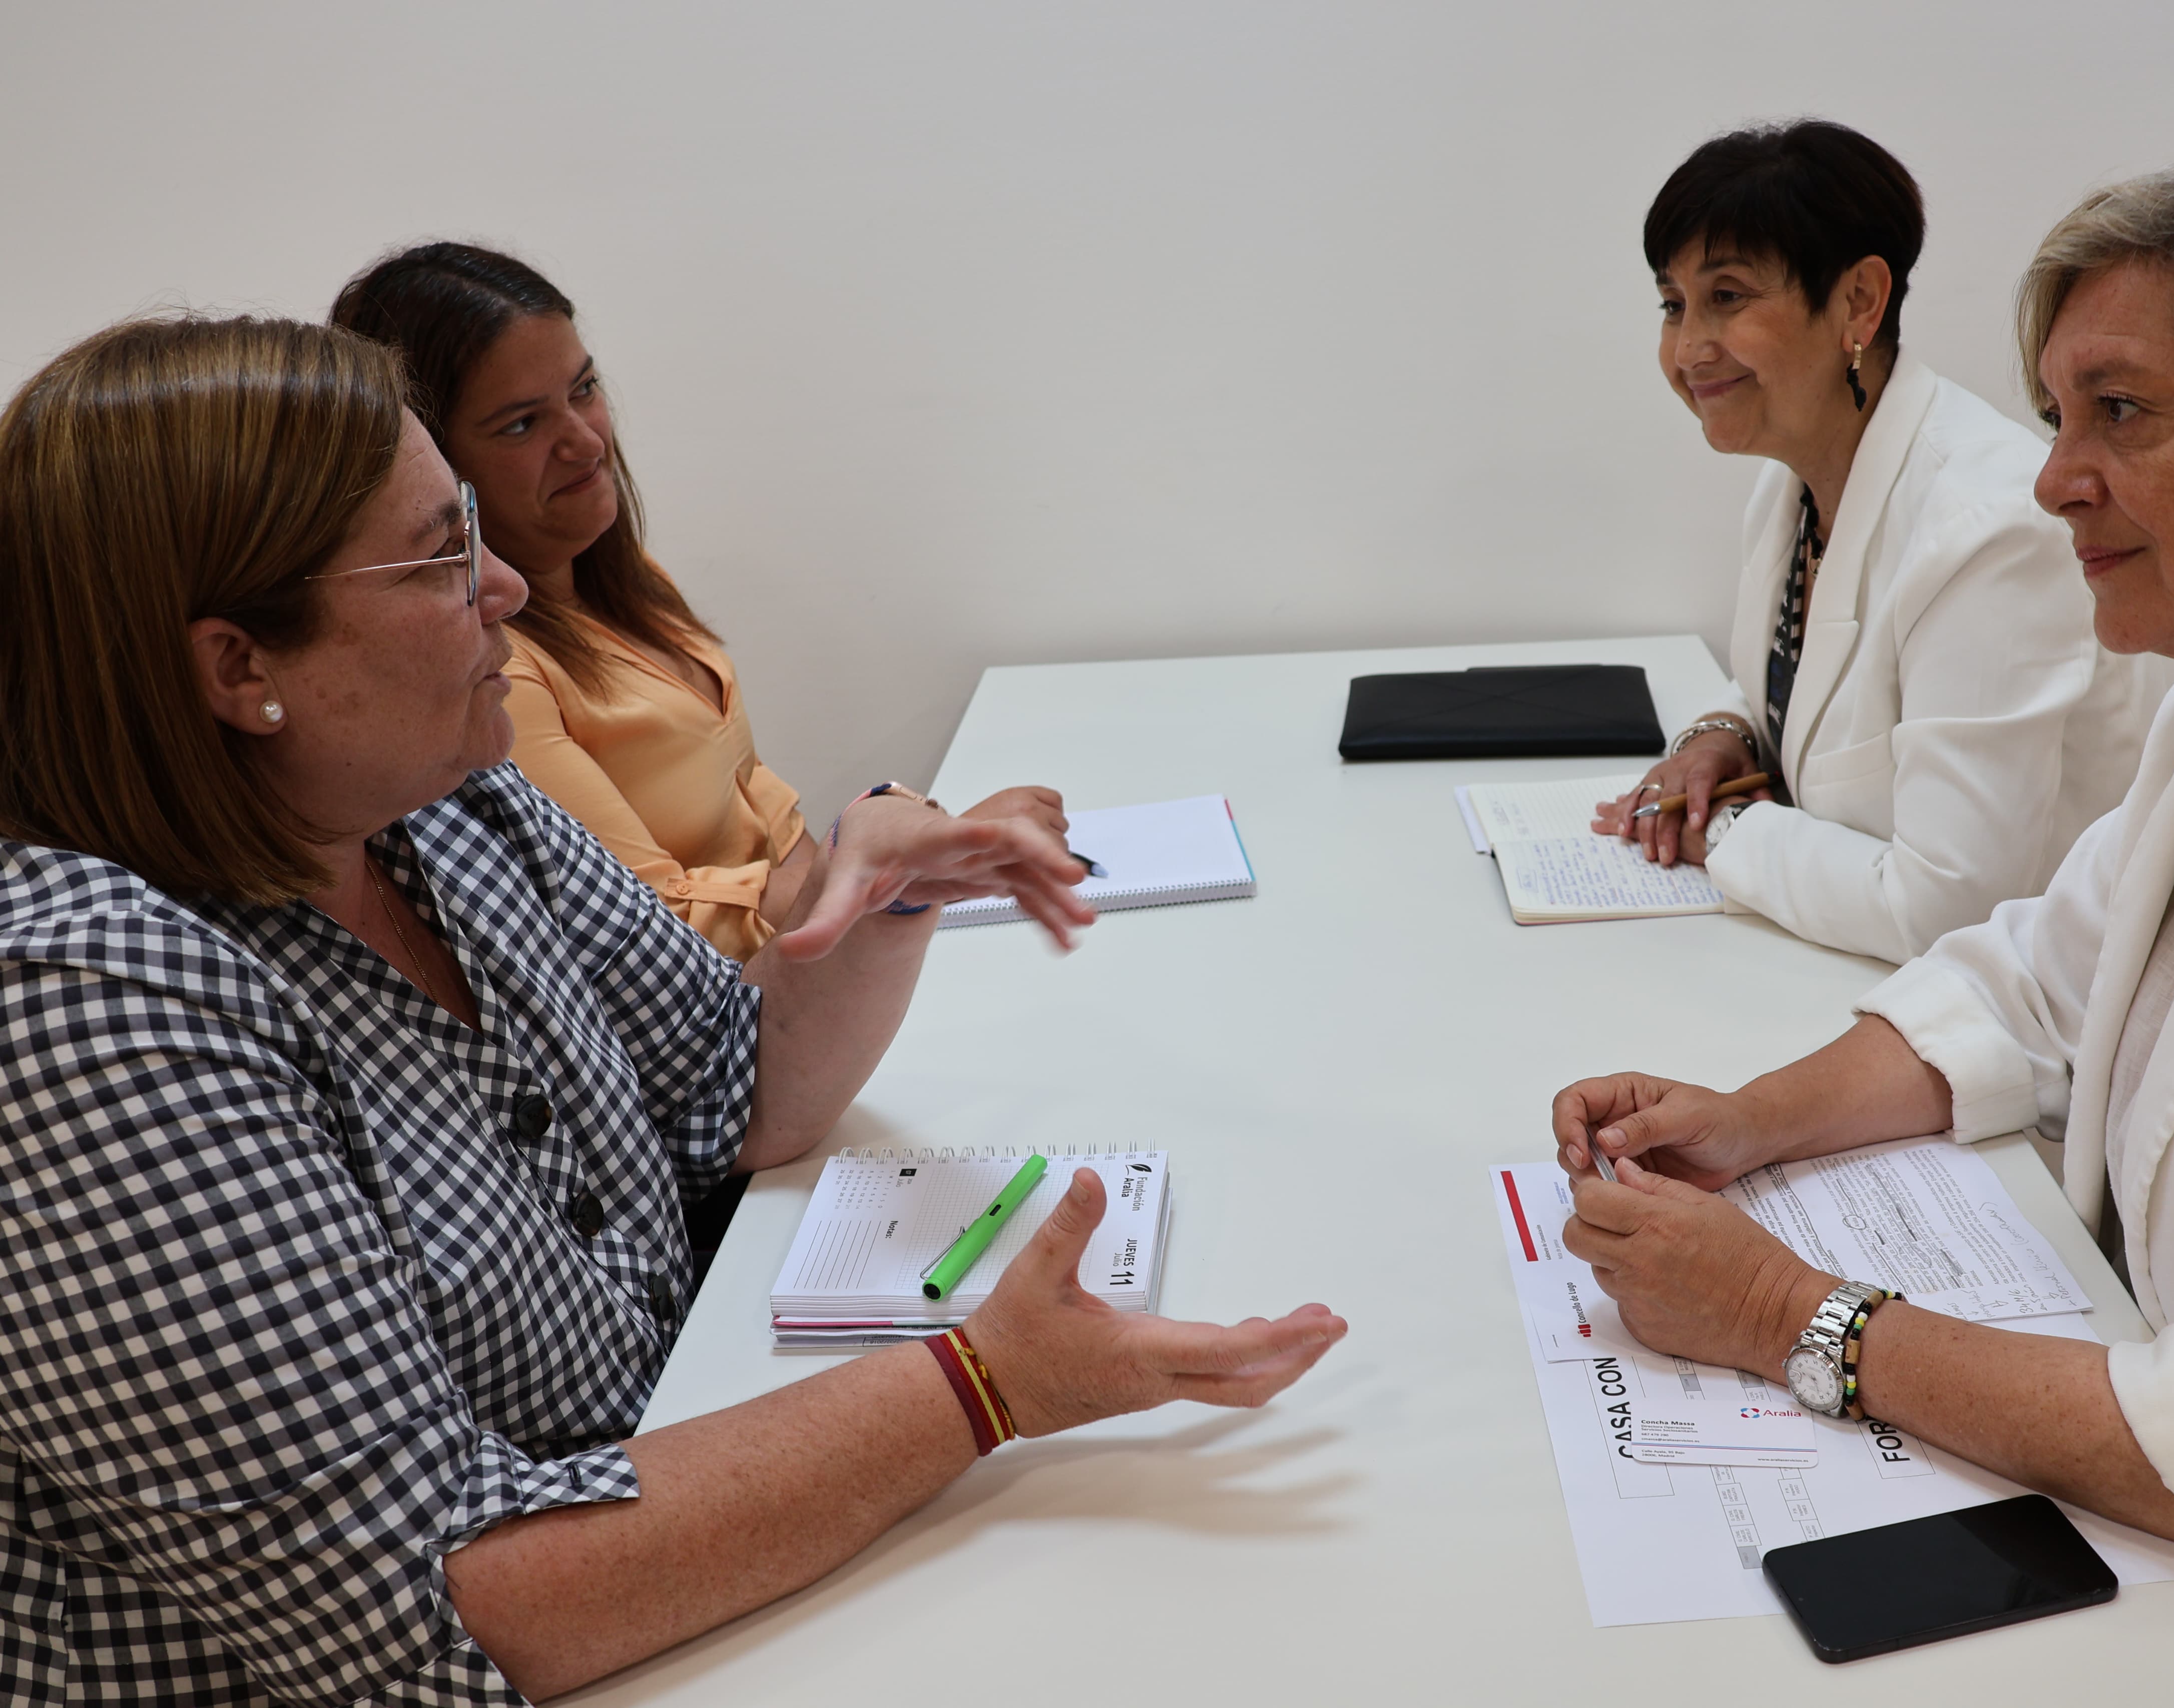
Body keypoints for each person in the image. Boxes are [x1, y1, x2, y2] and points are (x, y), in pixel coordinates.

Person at [0, 315, 1347, 1705]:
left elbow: (732, 1095)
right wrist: (985, 1385)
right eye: (441, 556)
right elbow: (439, 1607)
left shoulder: (440, 799)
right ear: (239, 669)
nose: (506, 587)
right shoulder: (87, 1014)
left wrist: (878, 903)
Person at [1552, 124, 2174, 1708]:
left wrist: (1780, 1309)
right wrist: (1748, 1121)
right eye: (2055, 416)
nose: (2053, 478)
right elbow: (2029, 979)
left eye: (2123, 414)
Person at [330, 242, 1064, 962]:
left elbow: (768, 817)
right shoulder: (500, 676)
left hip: (810, 969)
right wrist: (899, 865)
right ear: (431, 467)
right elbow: (654, 926)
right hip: (725, 1014)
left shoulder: (622, 579)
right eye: (523, 424)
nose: (585, 442)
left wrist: (908, 858)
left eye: (584, 389)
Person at [1596, 120, 2170, 963]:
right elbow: (1807, 701)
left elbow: (1947, 905)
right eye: (1673, 305)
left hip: (2023, 1012)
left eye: (1728, 297)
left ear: (1859, 301)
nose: (1688, 350)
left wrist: (1720, 831)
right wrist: (1721, 735)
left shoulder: (1991, 528)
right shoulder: (1793, 486)